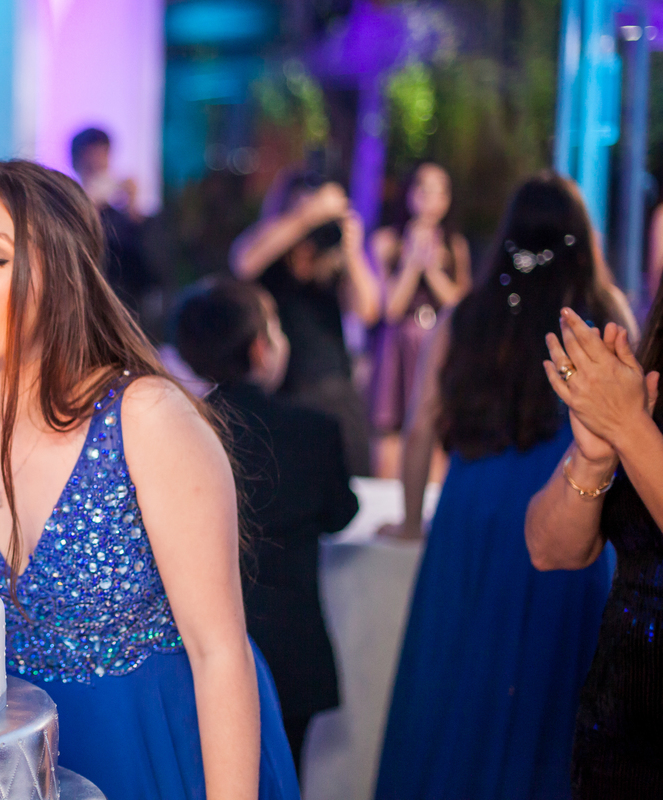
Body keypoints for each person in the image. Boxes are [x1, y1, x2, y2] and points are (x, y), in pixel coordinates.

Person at [0, 160, 299, 799]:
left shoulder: (144, 418)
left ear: (59, 282)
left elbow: (219, 651)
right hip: (6, 770)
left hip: (155, 754)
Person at [374, 173, 632, 799]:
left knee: (454, 691)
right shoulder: (606, 317)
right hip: (571, 507)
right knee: (552, 699)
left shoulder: (471, 314)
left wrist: (412, 521)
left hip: (471, 519)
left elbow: (419, 429)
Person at [175, 279, 356, 780]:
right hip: (293, 647)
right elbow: (341, 512)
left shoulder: (184, 426)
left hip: (191, 649)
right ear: (260, 346)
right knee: (284, 774)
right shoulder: (314, 429)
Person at [528, 256, 663, 795]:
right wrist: (594, 456)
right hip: (618, 729)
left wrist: (630, 428)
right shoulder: (650, 363)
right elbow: (547, 549)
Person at [229, 169, 381, 476]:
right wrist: (307, 215)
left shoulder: (332, 258)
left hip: (333, 389)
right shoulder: (270, 254)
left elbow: (368, 310)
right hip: (280, 390)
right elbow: (243, 263)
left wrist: (352, 250)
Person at [369, 162, 471, 478]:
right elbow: (389, 308)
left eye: (441, 191)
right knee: (391, 429)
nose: (432, 199)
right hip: (397, 345)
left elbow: (463, 305)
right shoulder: (386, 241)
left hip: (439, 342)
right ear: (409, 193)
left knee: (437, 427)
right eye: (424, 189)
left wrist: (433, 271)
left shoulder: (455, 245)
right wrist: (413, 263)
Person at [70, 127, 160, 334]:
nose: (98, 174)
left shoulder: (127, 217)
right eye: (90, 167)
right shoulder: (66, 213)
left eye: (102, 165)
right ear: (76, 165)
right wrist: (88, 206)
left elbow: (152, 270)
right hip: (82, 313)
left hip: (127, 314)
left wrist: (133, 209)